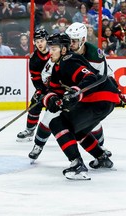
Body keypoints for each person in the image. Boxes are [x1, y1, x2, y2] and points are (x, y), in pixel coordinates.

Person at [43, 33, 120, 179]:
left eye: (53, 48)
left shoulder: (68, 60)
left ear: (64, 50)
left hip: (98, 97)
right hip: (106, 99)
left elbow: (89, 77)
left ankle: (77, 165)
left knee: (57, 123)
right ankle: (102, 158)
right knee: (78, 131)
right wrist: (50, 99)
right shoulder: (57, 67)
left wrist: (76, 92)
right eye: (49, 48)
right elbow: (54, 91)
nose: (50, 52)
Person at [16, 28, 50, 142]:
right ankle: (30, 130)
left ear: (47, 40)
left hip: (59, 87)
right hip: (45, 87)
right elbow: (35, 78)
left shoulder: (56, 52)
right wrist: (40, 90)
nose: (39, 43)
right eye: (37, 41)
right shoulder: (34, 59)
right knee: (34, 105)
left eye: (42, 40)